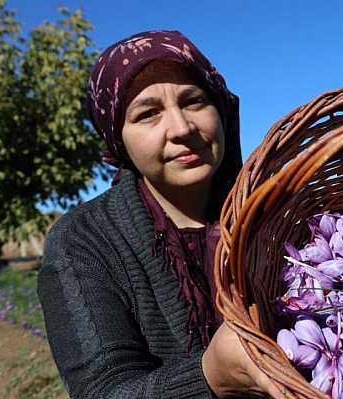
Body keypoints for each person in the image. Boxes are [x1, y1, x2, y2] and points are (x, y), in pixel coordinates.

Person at [37, 30, 283, 399]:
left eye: (194, 101)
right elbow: (101, 390)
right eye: (148, 113)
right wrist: (211, 377)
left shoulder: (274, 211)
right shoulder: (82, 241)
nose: (182, 128)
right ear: (117, 137)